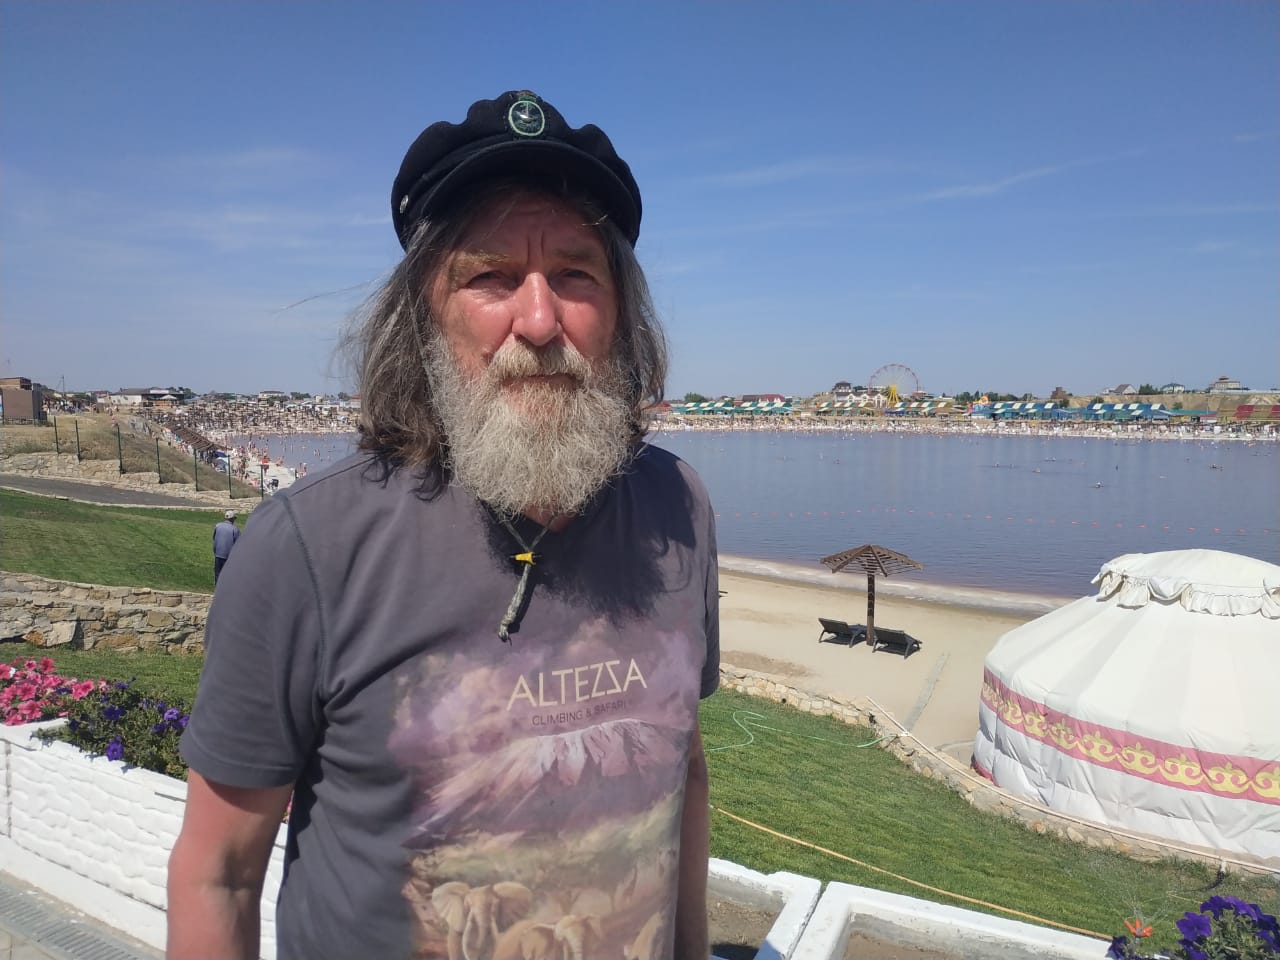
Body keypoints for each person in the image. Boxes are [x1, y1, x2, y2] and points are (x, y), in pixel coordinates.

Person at [168, 90, 719, 960]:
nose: (539, 321)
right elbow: (218, 875)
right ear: (422, 316)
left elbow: (682, 772)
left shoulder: (678, 508)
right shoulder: (307, 549)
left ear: (621, 312)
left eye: (576, 274)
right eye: (489, 276)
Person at [211, 509, 240, 585]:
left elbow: (214, 538)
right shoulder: (235, 529)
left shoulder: (218, 526)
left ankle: (217, 588)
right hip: (228, 556)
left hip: (218, 553)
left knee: (217, 573)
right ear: (232, 519)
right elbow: (238, 544)